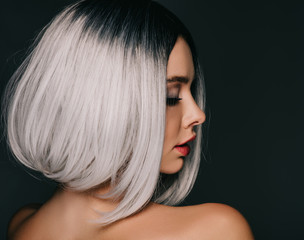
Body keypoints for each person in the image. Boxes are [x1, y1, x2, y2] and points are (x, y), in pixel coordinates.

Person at [4, 0, 254, 239]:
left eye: (191, 90)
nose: (198, 115)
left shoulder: (22, 225)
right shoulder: (216, 231)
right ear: (105, 103)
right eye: (171, 96)